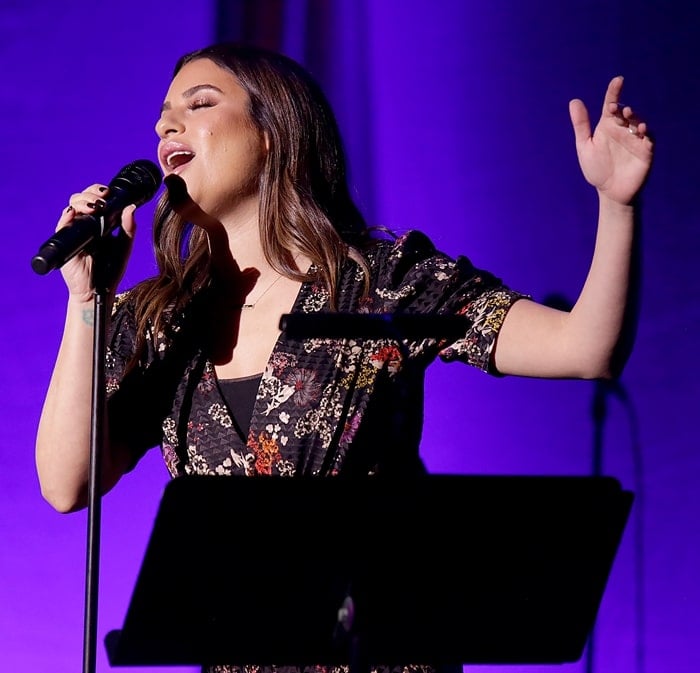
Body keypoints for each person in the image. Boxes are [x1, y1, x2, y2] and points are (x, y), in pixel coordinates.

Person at [35, 43, 653, 673]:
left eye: (199, 105)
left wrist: (617, 204)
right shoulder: (158, 319)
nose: (166, 125)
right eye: (164, 114)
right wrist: (86, 300)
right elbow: (65, 484)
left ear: (275, 132)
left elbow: (587, 348)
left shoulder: (379, 279)